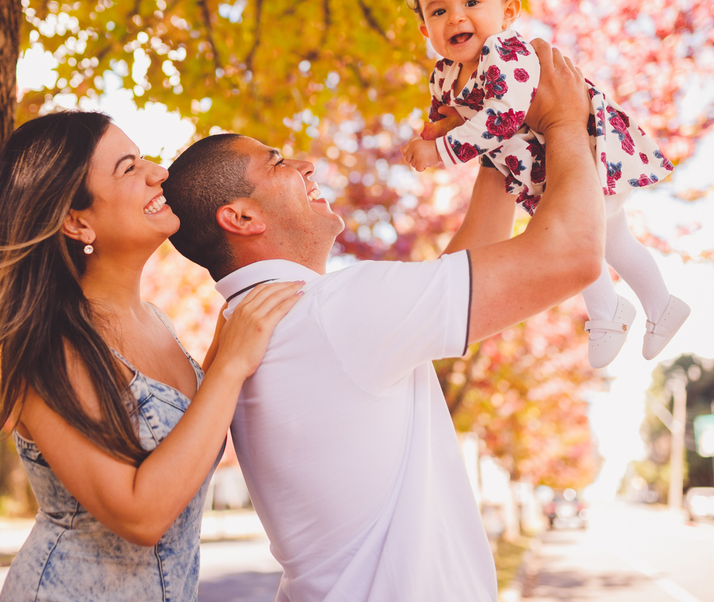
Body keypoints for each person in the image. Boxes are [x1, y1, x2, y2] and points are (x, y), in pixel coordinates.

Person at [162, 42, 604, 601]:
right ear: (241, 217)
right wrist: (566, 120)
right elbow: (574, 254)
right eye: (276, 162)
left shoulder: (264, 322)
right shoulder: (326, 312)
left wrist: (500, 138)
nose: (305, 164)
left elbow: (465, 271)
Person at [0, 110, 303, 602]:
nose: (159, 173)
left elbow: (193, 432)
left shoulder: (156, 321)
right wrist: (233, 362)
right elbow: (141, 515)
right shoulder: (50, 348)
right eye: (129, 167)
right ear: (76, 220)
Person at [400, 0, 689, 368]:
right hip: (543, 166)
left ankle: (616, 311)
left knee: (586, 234)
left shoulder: (507, 52)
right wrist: (440, 126)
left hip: (585, 152)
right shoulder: (443, 74)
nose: (455, 17)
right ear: (425, 32)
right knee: (603, 236)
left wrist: (439, 151)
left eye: (471, 2)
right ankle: (653, 306)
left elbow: (503, 118)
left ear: (508, 13)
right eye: (437, 12)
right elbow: (456, 110)